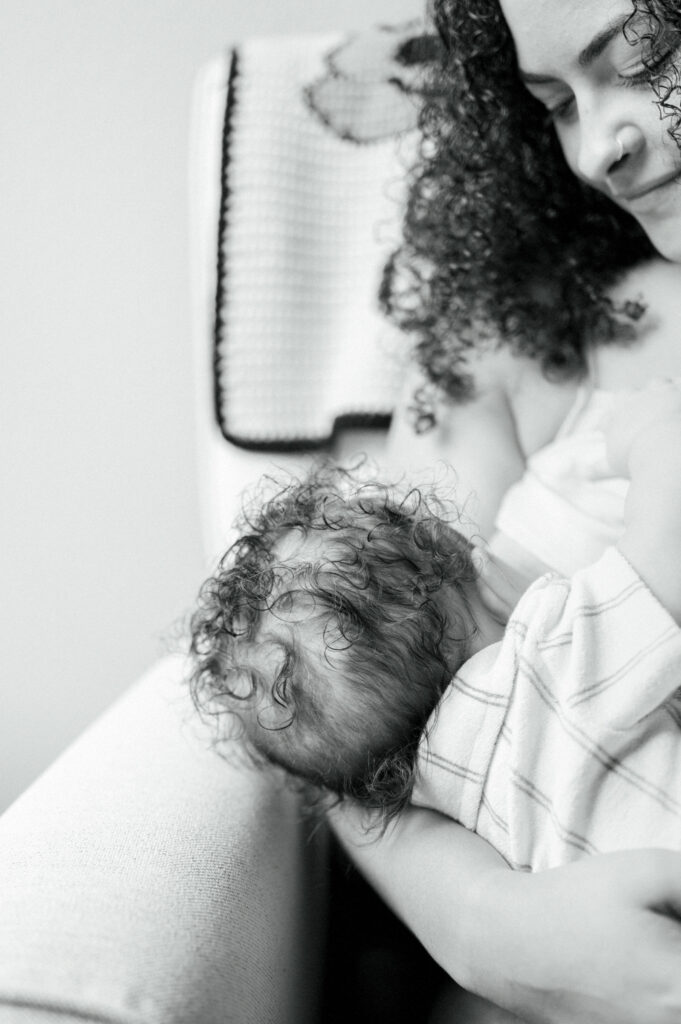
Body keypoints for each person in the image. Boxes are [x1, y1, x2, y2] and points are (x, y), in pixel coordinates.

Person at [326, 0, 681, 1020]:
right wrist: (494, 928)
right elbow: (341, 686)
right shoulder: (525, 331)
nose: (597, 147)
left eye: (648, 54)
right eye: (558, 102)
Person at [190, 380, 681, 871]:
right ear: (482, 569)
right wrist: (650, 431)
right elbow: (669, 537)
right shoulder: (550, 663)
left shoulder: (458, 804)